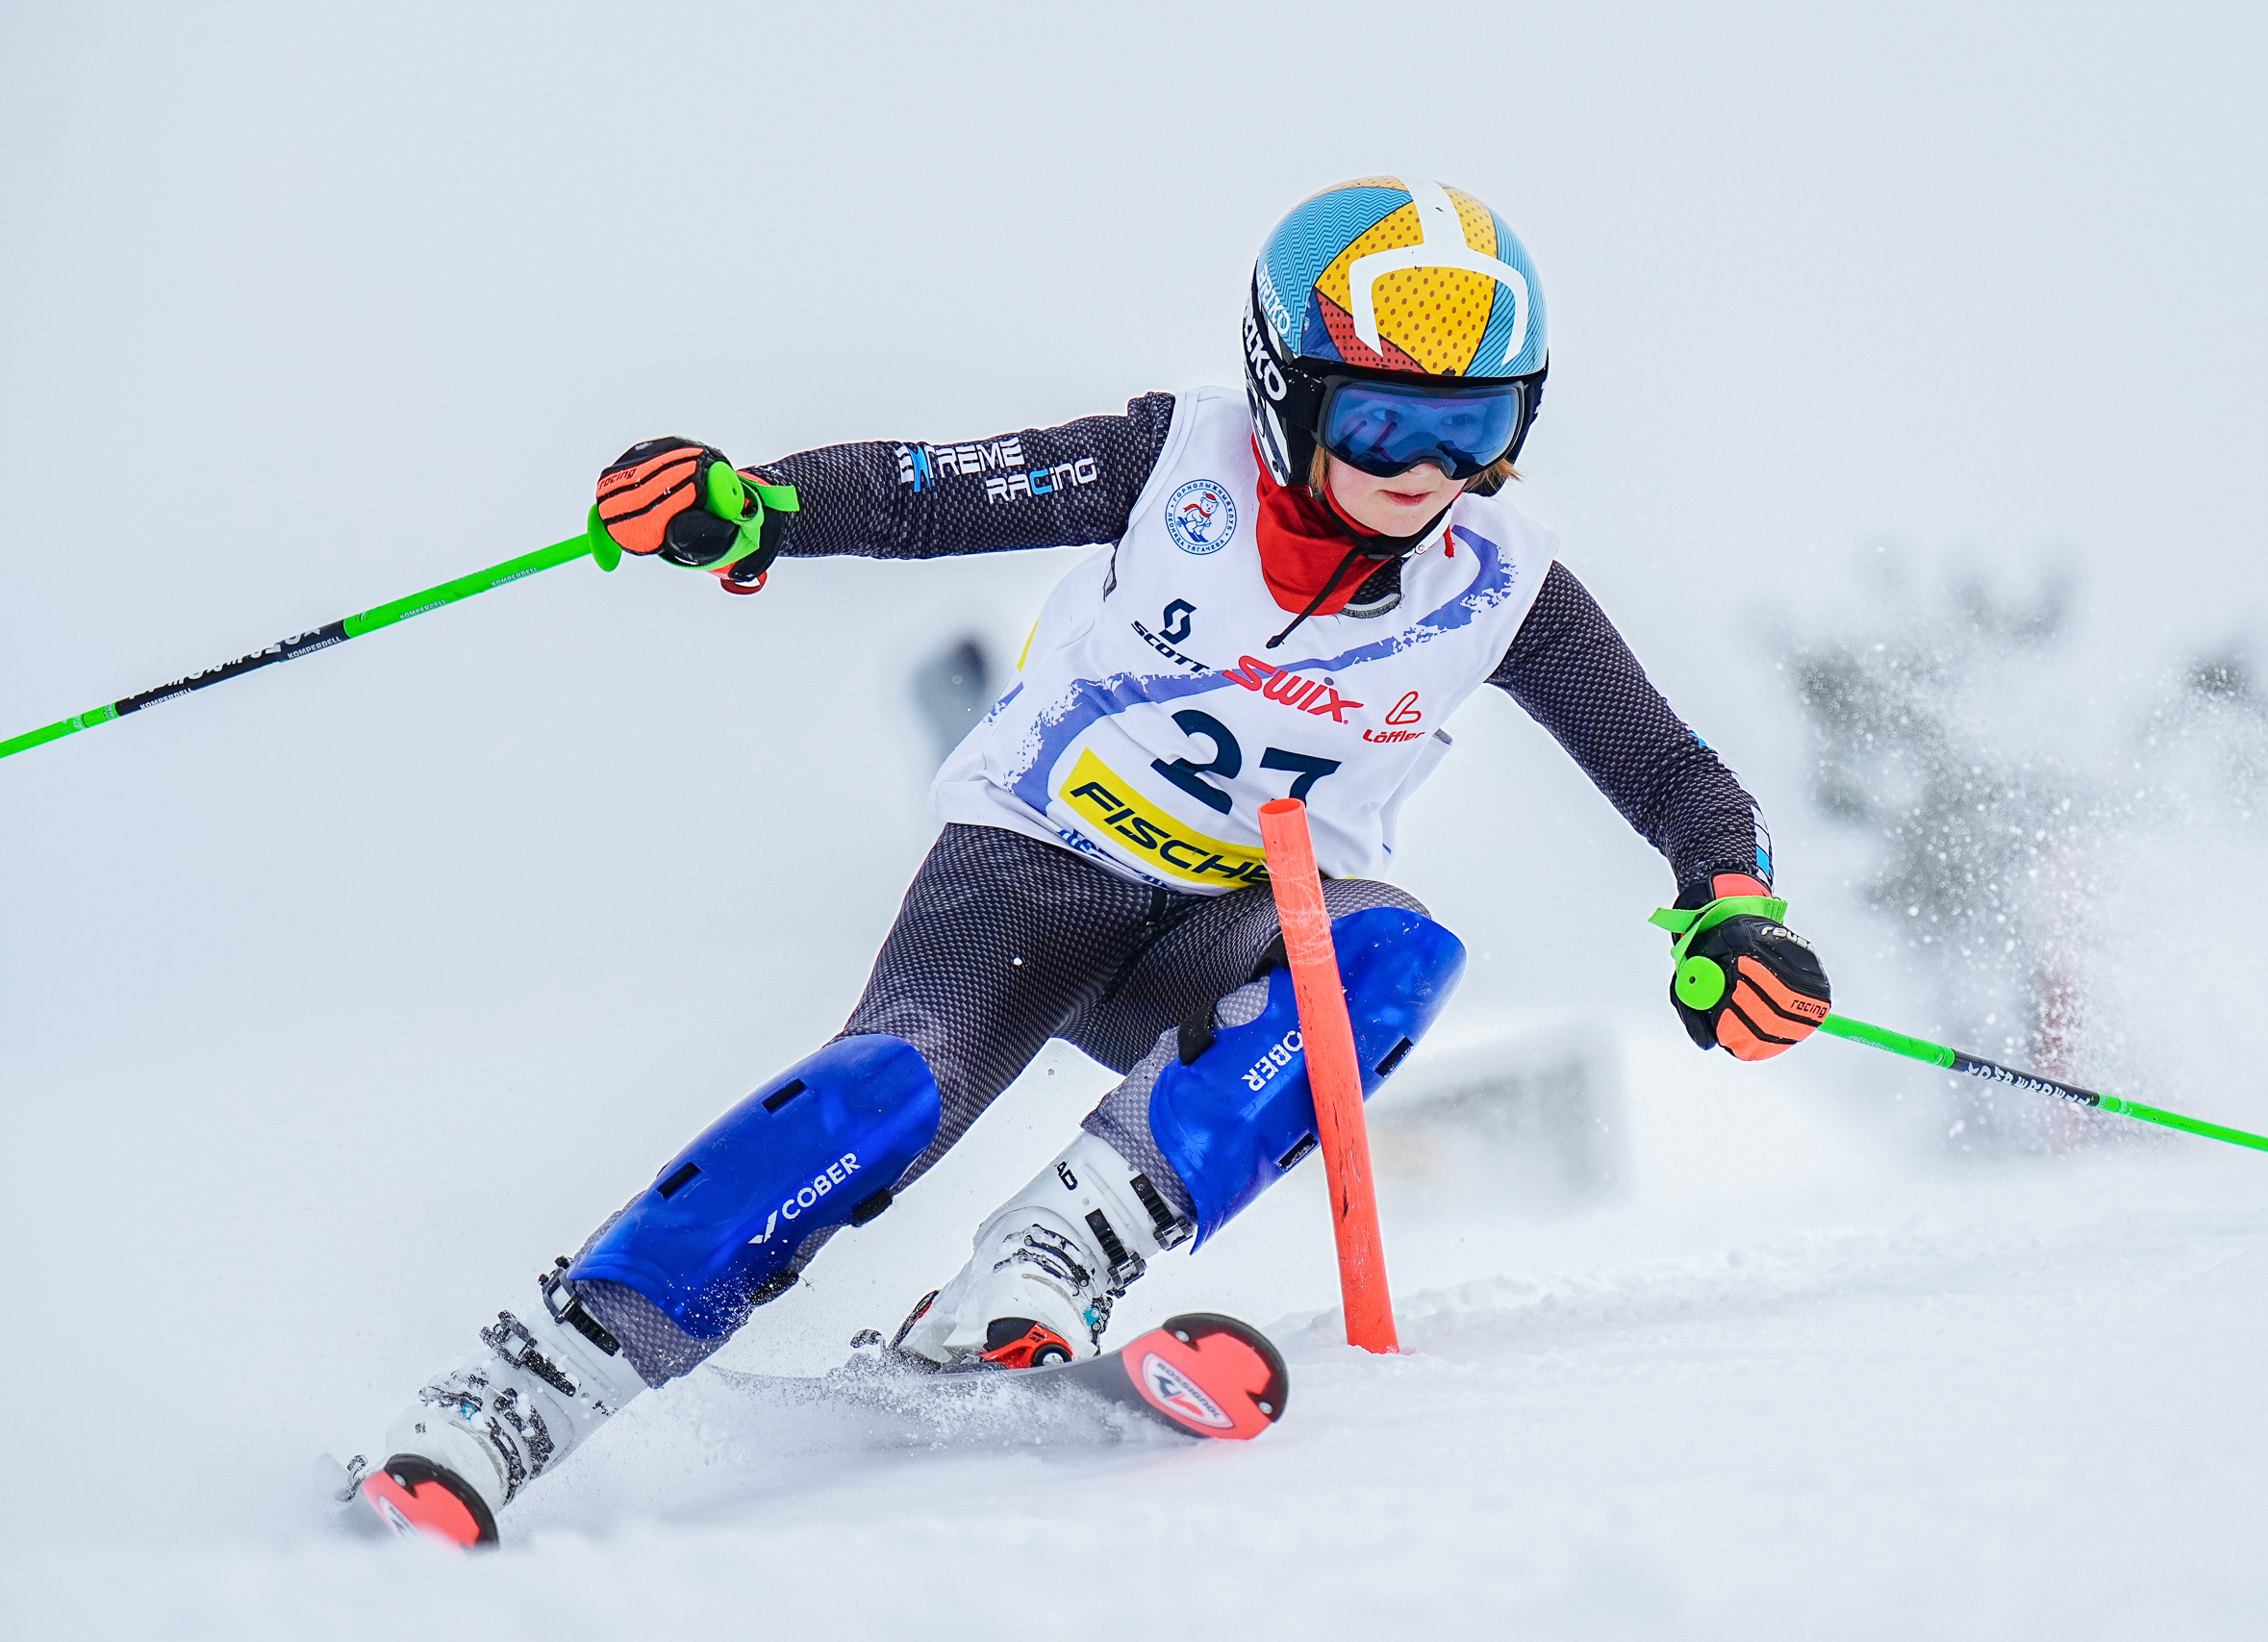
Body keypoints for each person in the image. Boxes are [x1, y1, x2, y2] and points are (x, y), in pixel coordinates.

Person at [353, 176, 1834, 1548]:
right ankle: (526, 1384)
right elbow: (928, 489)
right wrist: (756, 506)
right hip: (1030, 875)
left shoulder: (1502, 586)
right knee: (886, 1091)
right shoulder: (1170, 464)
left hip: (1228, 929)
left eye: (1480, 429)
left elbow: (1676, 773)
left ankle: (1048, 1258)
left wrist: (1735, 915)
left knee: (1395, 957)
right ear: (1284, 390)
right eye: (1387, 425)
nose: (1431, 473)